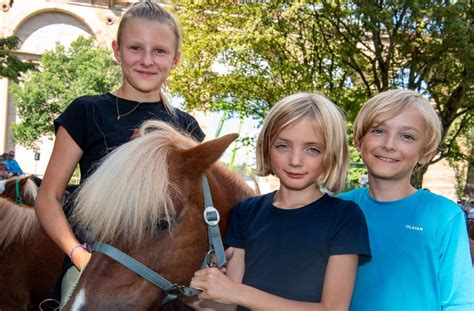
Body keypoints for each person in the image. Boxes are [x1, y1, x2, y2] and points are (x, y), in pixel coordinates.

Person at [35, 0, 205, 303]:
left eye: (160, 51)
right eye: (135, 48)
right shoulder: (86, 112)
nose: (147, 60)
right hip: (93, 264)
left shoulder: (185, 126)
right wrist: (77, 255)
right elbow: (48, 198)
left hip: (158, 274)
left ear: (176, 59)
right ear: (117, 51)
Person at [189, 93, 371, 310]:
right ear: (266, 147)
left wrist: (237, 292)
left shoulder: (345, 216)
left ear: (331, 154)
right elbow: (229, 304)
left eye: (312, 149)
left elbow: (333, 308)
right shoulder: (246, 212)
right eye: (283, 146)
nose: (295, 161)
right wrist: (184, 290)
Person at [338, 89, 474, 310]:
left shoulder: (444, 215)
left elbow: (460, 302)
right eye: (379, 131)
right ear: (359, 140)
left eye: (407, 136)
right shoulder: (338, 208)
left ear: (426, 154)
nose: (389, 144)